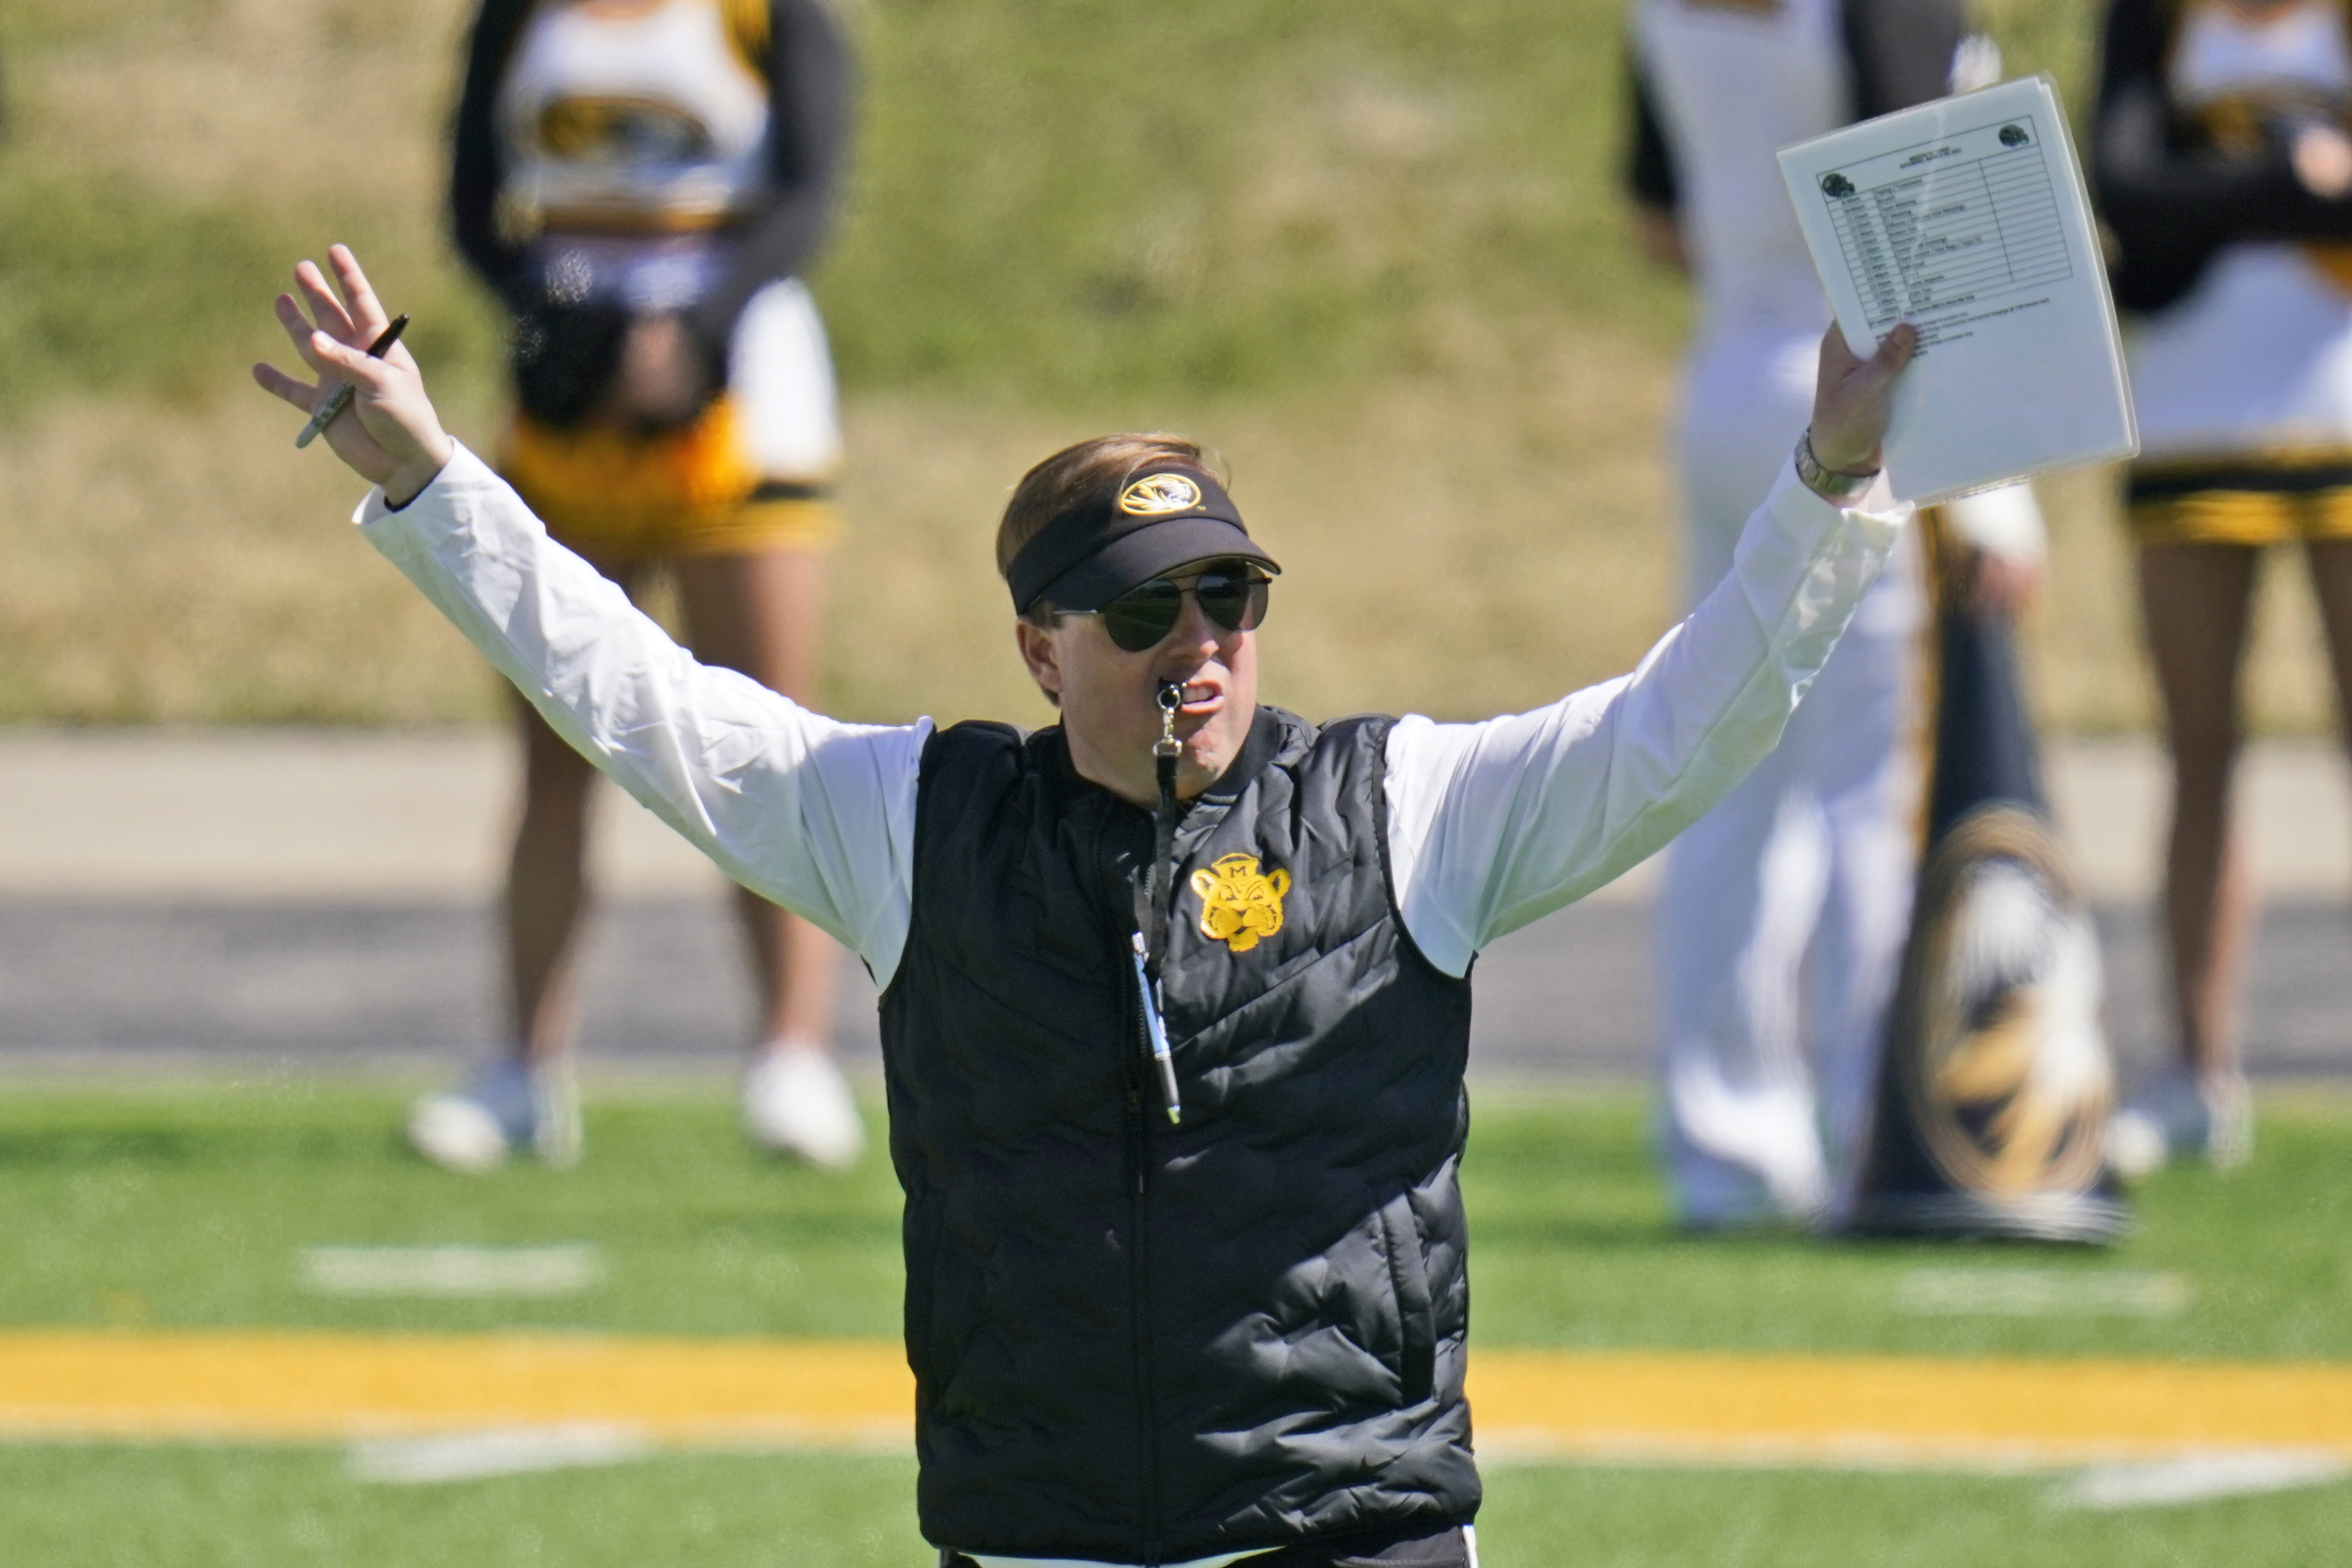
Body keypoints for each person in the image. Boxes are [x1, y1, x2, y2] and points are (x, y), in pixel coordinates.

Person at [257, 245, 1914, 1568]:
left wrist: (1824, 483)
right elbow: (634, 691)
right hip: (1037, 1537)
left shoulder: (1411, 806)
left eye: (1226, 594)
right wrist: (431, 487)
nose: (1194, 638)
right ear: (1041, 651)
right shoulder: (914, 823)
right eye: (1140, 610)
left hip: (1347, 1530)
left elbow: (1685, 725)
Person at [412, 0, 863, 1173]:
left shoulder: (768, 13)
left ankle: (793, 1055)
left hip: (740, 396)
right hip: (565, 408)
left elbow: (808, 196)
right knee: (555, 744)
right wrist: (561, 324)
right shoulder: (523, 12)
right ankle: (523, 1070)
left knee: (769, 737)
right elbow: (473, 203)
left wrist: (691, 327)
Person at [1625, 0, 2049, 1227]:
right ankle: (1877, 1119)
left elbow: (1658, 218)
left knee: (1723, 772)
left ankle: (1725, 1141)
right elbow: (1930, 228)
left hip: (1727, 370)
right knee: (1866, 785)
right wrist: (1995, 490)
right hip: (1853, 388)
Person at [2093, 0, 2352, 1172]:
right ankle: (2197, 1070)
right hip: (2192, 420)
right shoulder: (2158, 13)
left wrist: (2220, 181)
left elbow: (2173, 190)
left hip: (2343, 418)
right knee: (2198, 751)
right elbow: (2120, 190)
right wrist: (2281, 175)